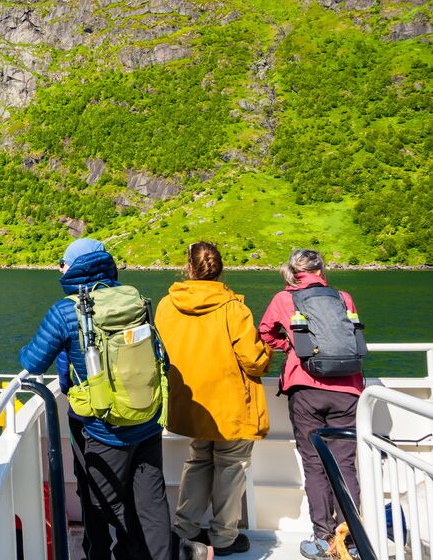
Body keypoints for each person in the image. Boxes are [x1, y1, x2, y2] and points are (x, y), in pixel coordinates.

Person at [19, 238, 211, 560]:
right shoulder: (133, 299)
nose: (60, 268)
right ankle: (166, 552)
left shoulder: (67, 310)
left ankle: (147, 550)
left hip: (103, 428)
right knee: (151, 503)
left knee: (100, 501)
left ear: (73, 267)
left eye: (62, 263)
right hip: (147, 420)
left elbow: (32, 361)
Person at [155, 242, 272, 557]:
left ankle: (185, 529)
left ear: (189, 268)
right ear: (219, 270)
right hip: (230, 403)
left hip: (193, 403)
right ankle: (223, 537)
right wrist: (269, 351)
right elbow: (254, 361)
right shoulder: (233, 308)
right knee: (231, 466)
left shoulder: (167, 305)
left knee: (198, 460)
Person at [258, 249, 364, 560]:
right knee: (345, 465)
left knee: (315, 464)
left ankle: (322, 540)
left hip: (305, 387)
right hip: (348, 387)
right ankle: (352, 541)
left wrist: (290, 346)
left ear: (293, 271)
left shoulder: (283, 299)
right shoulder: (343, 297)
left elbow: (265, 333)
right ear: (321, 270)